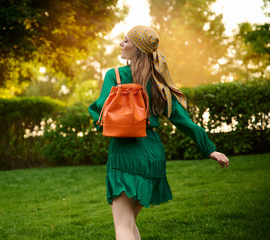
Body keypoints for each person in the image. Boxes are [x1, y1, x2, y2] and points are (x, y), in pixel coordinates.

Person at [88, 25, 229, 240]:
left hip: (126, 153)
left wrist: (99, 118)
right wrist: (210, 149)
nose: (121, 44)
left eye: (126, 41)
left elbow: (100, 111)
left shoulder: (115, 75)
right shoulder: (159, 82)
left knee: (122, 227)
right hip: (153, 154)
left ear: (136, 47)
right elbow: (183, 120)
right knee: (130, 224)